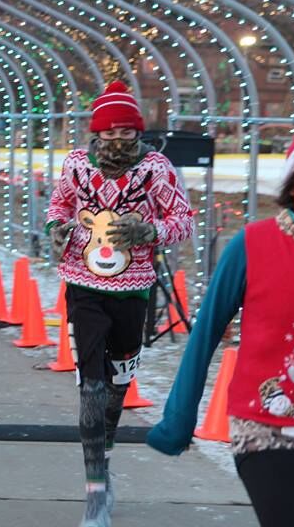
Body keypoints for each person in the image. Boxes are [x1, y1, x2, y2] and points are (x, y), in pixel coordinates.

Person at [147, 130, 294, 527]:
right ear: (293, 184)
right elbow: (204, 336)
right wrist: (179, 421)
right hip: (264, 423)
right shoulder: (252, 244)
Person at [44, 81, 194, 527]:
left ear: (137, 133)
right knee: (90, 384)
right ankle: (94, 489)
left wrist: (150, 232)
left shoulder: (157, 169)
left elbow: (182, 220)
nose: (118, 140)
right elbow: (59, 204)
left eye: (127, 132)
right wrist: (57, 228)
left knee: (116, 384)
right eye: (110, 132)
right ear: (97, 132)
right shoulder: (76, 165)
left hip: (134, 289)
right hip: (82, 282)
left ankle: (104, 455)